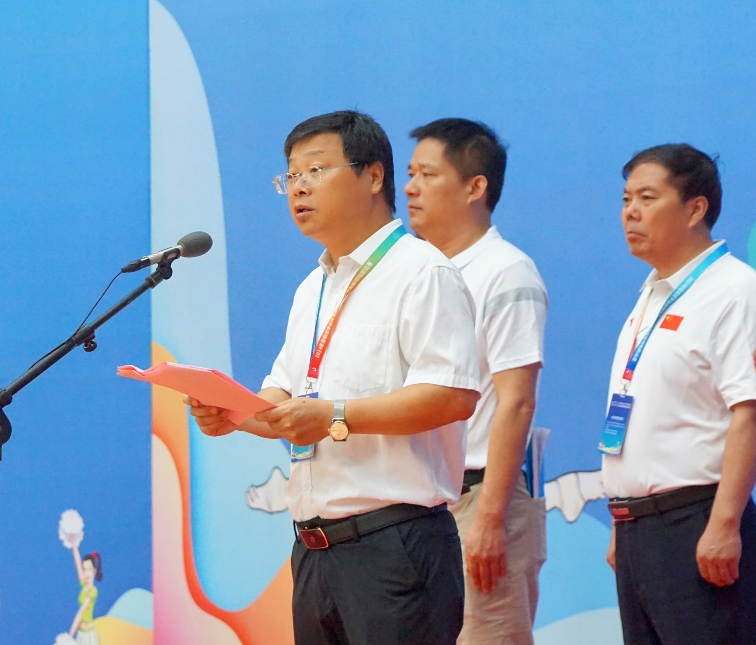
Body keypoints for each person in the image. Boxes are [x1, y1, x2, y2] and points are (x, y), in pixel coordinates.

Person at [189, 110, 480, 645]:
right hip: (315, 553)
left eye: (316, 171)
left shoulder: (422, 272)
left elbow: (452, 396)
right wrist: (232, 414)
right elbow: (283, 399)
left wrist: (333, 417)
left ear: (373, 176)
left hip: (395, 548)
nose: (299, 188)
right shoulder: (313, 288)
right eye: (290, 176)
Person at [601, 144, 756, 645]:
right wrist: (624, 521)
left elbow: (753, 412)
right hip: (638, 531)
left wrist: (724, 524)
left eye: (647, 198)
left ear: (695, 208)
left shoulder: (737, 291)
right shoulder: (650, 296)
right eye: (625, 199)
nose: (630, 212)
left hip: (698, 523)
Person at [404, 118, 547, 645]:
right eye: (410, 174)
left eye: (427, 174)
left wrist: (489, 519)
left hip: (483, 499)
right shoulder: (418, 274)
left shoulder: (506, 272)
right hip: (421, 504)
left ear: (475, 187)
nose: (410, 188)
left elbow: (516, 402)